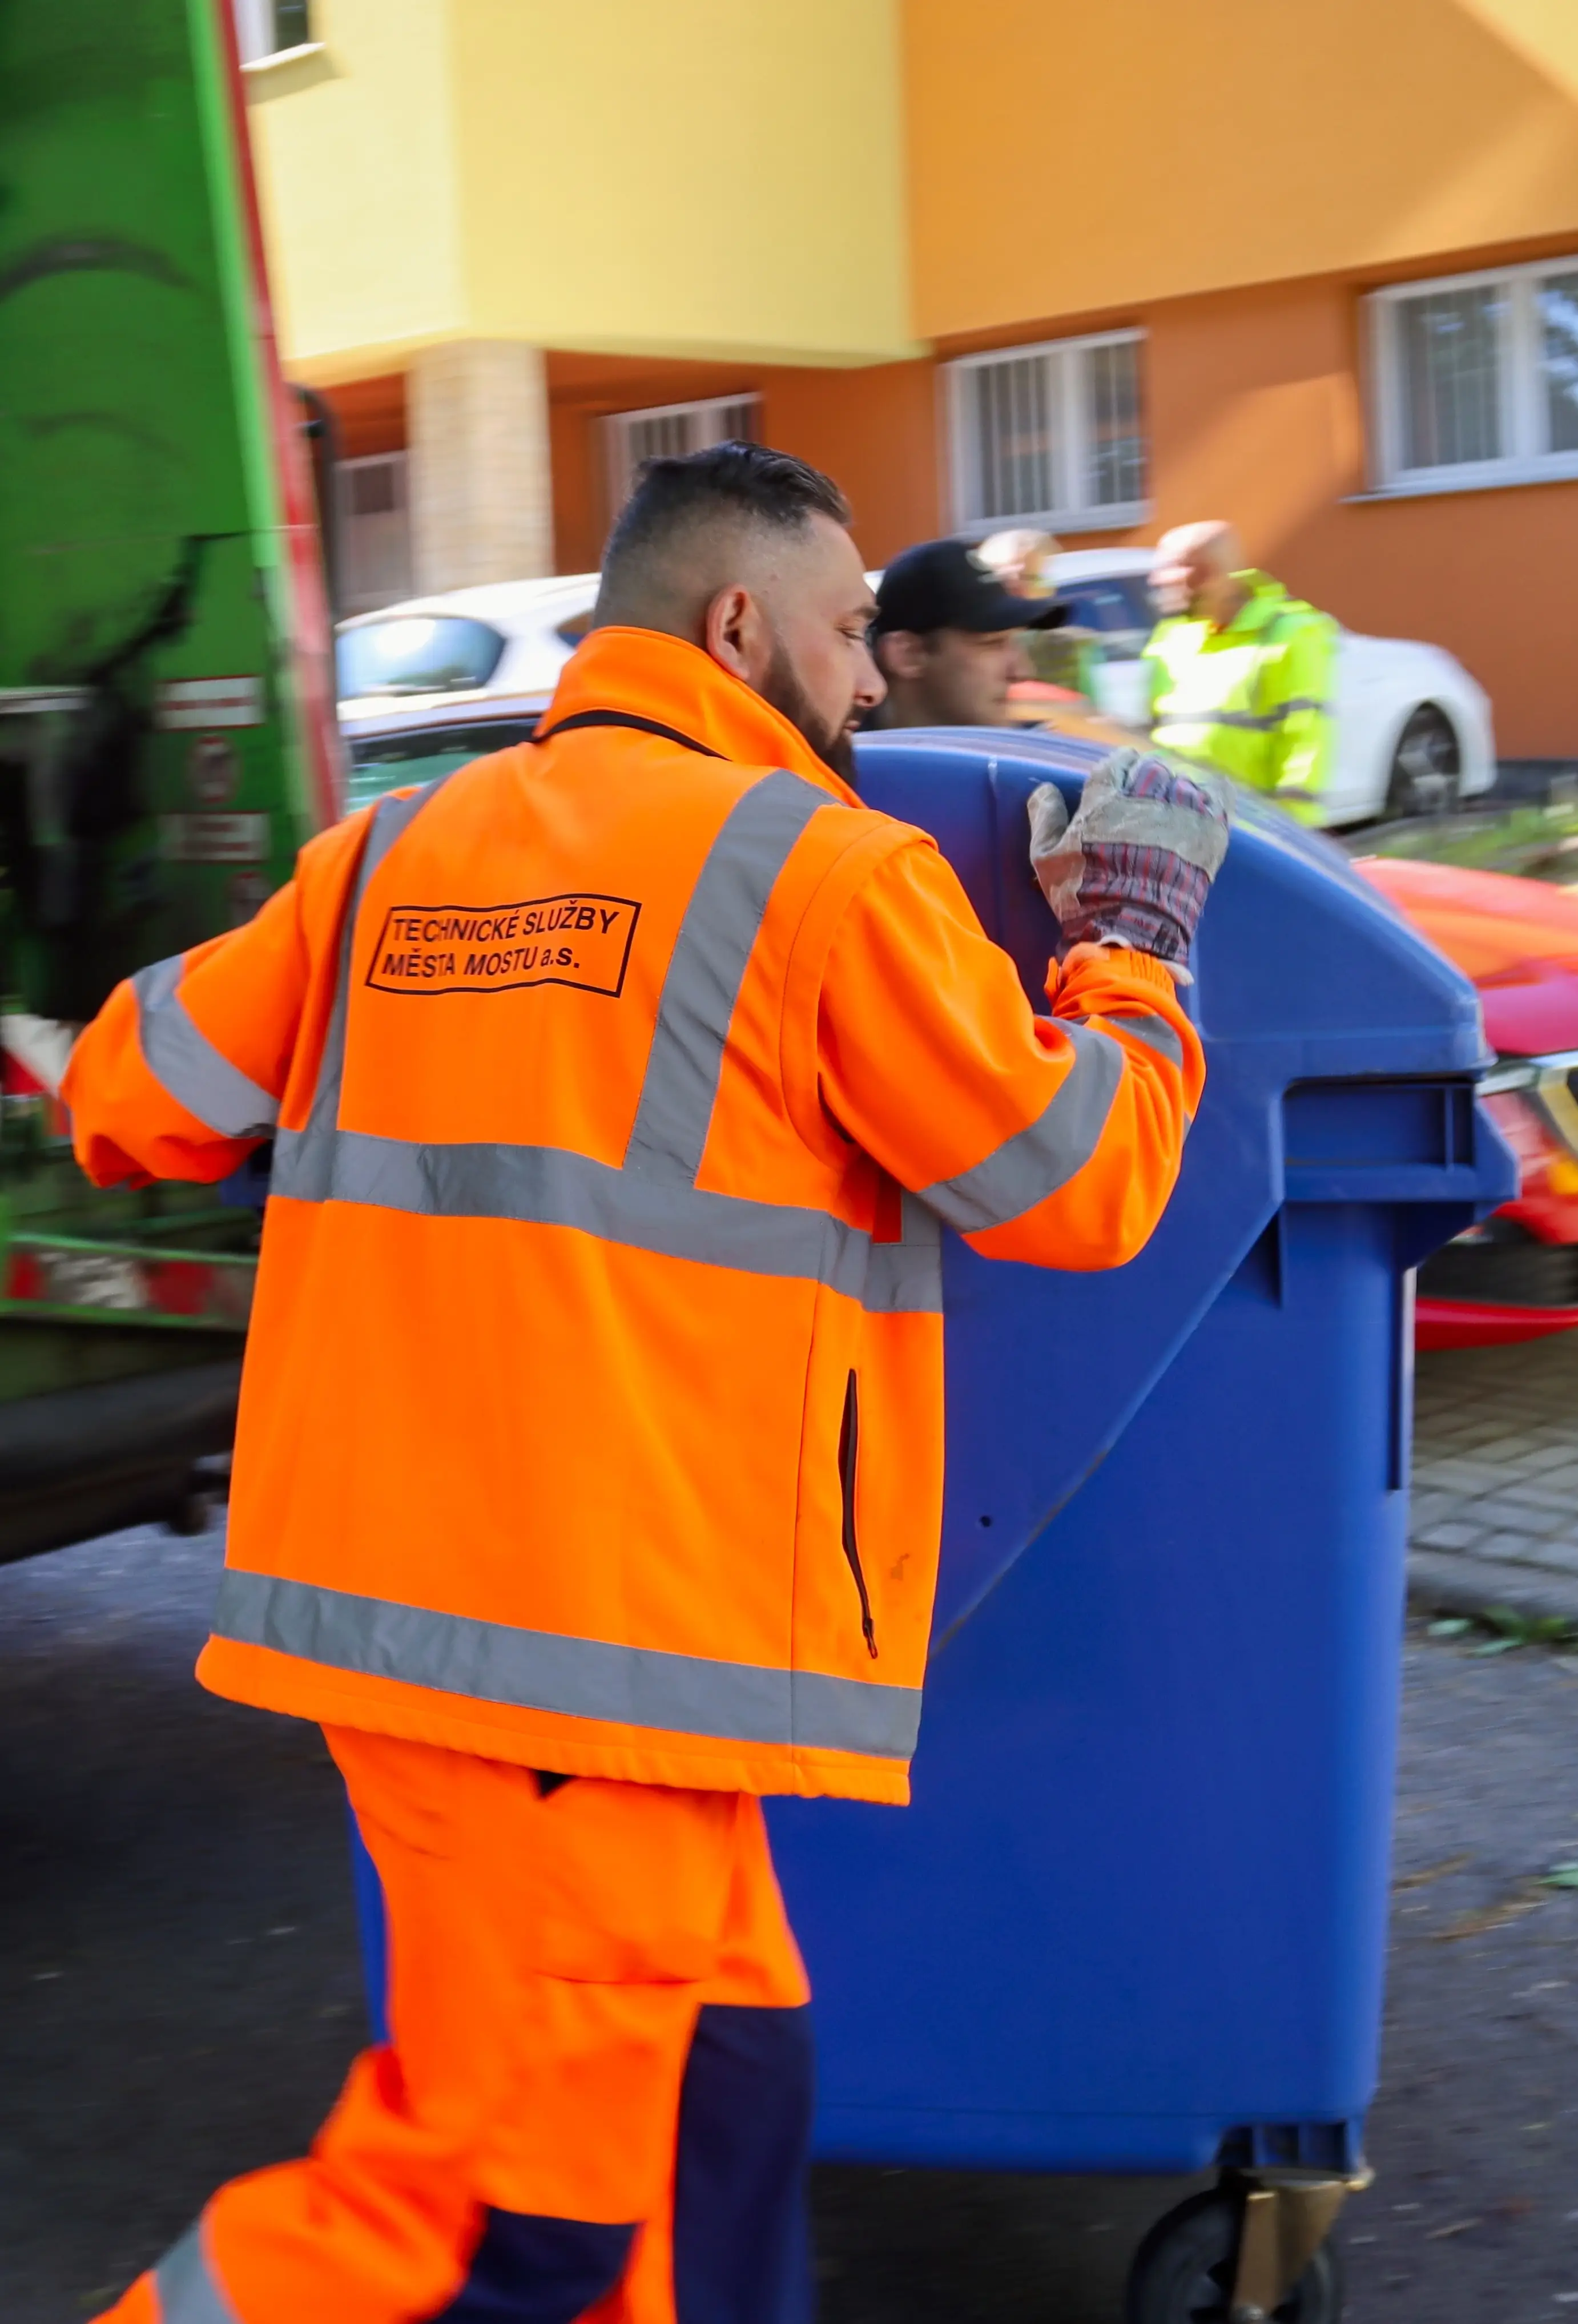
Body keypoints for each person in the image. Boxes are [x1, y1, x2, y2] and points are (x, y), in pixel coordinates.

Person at [66, 442, 1226, 2324]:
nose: (869, 679)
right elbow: (1075, 1179)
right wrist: (1134, 949)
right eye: (849, 632)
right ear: (740, 623)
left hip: (447, 1635)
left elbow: (136, 1094)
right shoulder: (827, 874)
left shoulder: (390, 854)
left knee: (715, 2108)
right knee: (490, 2222)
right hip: (585, 1660)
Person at [1144, 521, 1337, 823]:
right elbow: (1154, 735)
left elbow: (1305, 742)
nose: (1158, 581)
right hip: (1178, 821)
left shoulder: (1288, 634)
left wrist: (1291, 829)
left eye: (1171, 571)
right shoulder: (1172, 636)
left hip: (1249, 825)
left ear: (1208, 574)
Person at [862, 535, 1067, 728]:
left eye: (1015, 642)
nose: (1022, 671)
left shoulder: (1032, 744)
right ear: (908, 655)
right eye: (993, 643)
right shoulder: (848, 753)